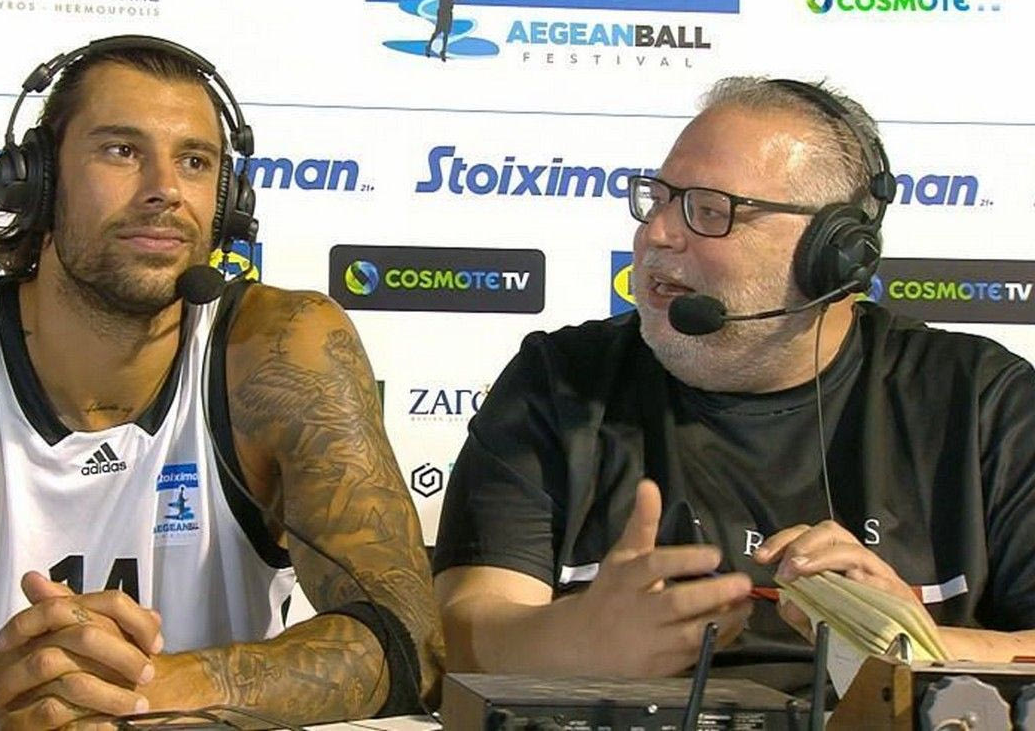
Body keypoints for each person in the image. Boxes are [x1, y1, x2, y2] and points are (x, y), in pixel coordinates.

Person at [0, 36, 441, 728]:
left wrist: (153, 688)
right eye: (121, 151)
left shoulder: (280, 351)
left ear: (227, 200)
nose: (165, 190)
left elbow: (410, 642)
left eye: (194, 162)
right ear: (37, 181)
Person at [433, 76, 1035, 693]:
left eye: (709, 211)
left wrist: (915, 648)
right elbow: (464, 631)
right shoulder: (560, 382)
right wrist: (578, 642)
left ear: (833, 253)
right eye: (658, 199)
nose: (657, 233)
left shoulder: (982, 399)